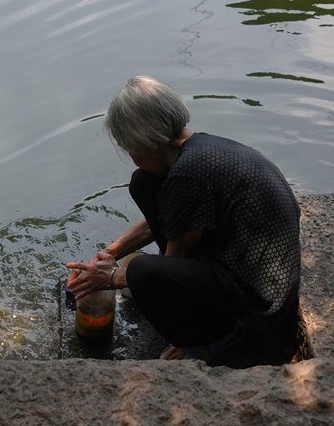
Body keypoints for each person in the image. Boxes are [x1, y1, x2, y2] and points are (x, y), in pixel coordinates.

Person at [66, 75, 301, 365]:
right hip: (246, 262)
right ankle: (206, 321)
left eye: (132, 150)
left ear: (147, 142)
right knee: (144, 183)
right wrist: (110, 254)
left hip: (258, 299)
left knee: (142, 271)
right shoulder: (197, 150)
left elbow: (172, 261)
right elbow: (175, 217)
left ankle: (217, 339)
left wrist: (114, 278)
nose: (132, 158)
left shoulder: (189, 173)